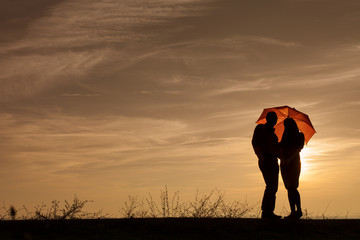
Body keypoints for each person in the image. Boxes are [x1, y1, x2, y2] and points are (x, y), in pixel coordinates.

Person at [252, 111, 281, 219]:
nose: (275, 120)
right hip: (266, 159)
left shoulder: (274, 135)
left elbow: (276, 150)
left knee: (273, 187)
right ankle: (266, 212)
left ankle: (269, 212)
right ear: (268, 119)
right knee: (270, 186)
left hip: (273, 160)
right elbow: (255, 143)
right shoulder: (260, 129)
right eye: (273, 118)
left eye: (276, 119)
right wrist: (260, 156)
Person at [279, 118, 304, 219]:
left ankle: (298, 210)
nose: (286, 126)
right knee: (289, 188)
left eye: (287, 124)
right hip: (284, 163)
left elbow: (299, 148)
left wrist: (289, 159)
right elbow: (280, 149)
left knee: (293, 187)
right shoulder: (283, 137)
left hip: (293, 163)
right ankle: (293, 211)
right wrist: (283, 159)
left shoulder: (300, 135)